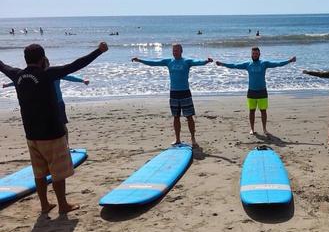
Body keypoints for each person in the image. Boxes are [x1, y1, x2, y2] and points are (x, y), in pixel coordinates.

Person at [0, 42, 108, 214]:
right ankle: (62, 205)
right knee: (58, 172)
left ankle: (44, 205)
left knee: (39, 173)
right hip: (52, 133)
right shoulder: (47, 74)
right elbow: (76, 65)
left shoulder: (17, 75)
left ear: (25, 59)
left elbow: (2, 65)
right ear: (43, 59)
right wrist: (99, 51)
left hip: (31, 134)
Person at [132, 43, 213, 147]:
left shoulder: (187, 61)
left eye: (177, 50)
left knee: (189, 117)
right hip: (174, 93)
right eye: (173, 50)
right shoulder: (169, 61)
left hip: (185, 92)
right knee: (176, 117)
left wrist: (206, 61)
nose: (175, 52)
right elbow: (153, 63)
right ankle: (177, 139)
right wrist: (140, 60)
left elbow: (198, 62)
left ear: (181, 51)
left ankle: (193, 139)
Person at [3, 62, 90, 145]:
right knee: (50, 126)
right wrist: (8, 85)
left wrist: (82, 80)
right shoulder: (39, 76)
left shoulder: (55, 74)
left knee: (62, 125)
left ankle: (66, 145)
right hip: (47, 105)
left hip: (58, 103)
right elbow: (22, 80)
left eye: (45, 65)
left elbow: (69, 77)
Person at [216, 47, 296, 135]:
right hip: (251, 91)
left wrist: (289, 61)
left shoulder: (264, 63)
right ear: (251, 54)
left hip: (262, 91)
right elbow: (234, 65)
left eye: (256, 54)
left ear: (259, 54)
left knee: (263, 111)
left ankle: (264, 129)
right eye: (253, 53)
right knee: (251, 111)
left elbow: (278, 64)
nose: (255, 55)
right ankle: (252, 129)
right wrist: (222, 64)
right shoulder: (248, 64)